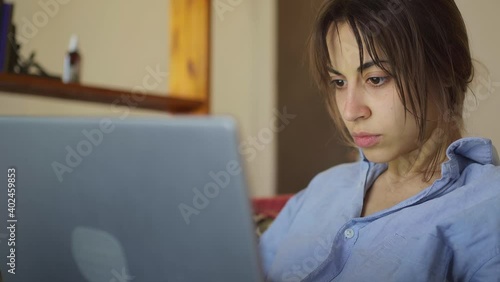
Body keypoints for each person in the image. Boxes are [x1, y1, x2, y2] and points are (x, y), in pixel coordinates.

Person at [259, 0, 500, 281]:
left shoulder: (488, 205)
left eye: (376, 79)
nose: (350, 111)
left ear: (448, 70)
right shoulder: (323, 187)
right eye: (339, 82)